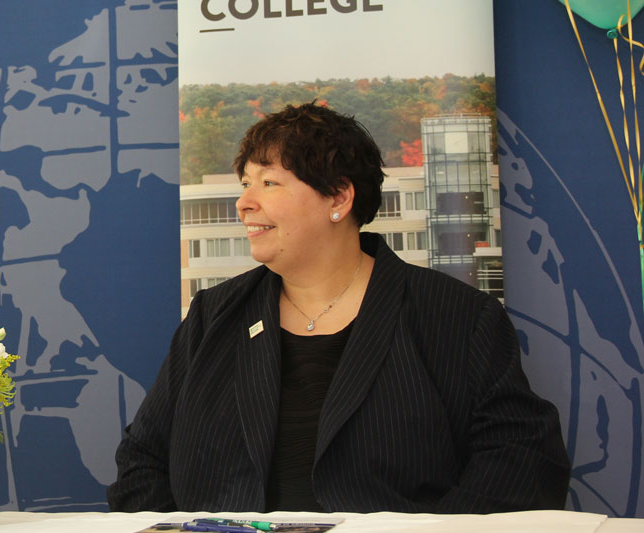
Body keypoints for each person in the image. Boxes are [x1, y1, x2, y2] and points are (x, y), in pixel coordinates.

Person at [108, 102, 570, 513]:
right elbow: (142, 462)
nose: (244, 202)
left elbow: (522, 461)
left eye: (268, 182)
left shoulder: (457, 316)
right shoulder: (214, 315)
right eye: (246, 183)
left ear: (338, 197)